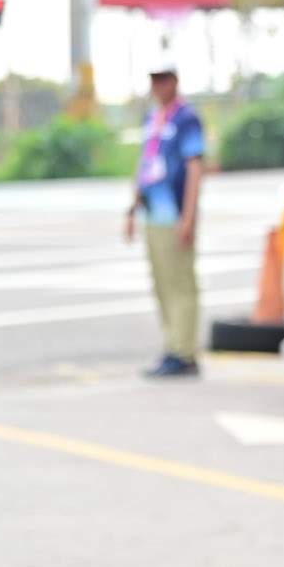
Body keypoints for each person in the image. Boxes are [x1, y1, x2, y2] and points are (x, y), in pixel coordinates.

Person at [124, 63, 205, 378]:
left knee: (180, 283)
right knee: (161, 284)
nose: (158, 85)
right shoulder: (152, 118)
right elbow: (144, 163)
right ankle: (172, 346)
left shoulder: (186, 118)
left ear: (174, 81)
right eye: (153, 80)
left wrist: (188, 218)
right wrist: (132, 209)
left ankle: (183, 352)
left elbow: (195, 168)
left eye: (163, 79)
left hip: (174, 213)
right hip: (152, 214)